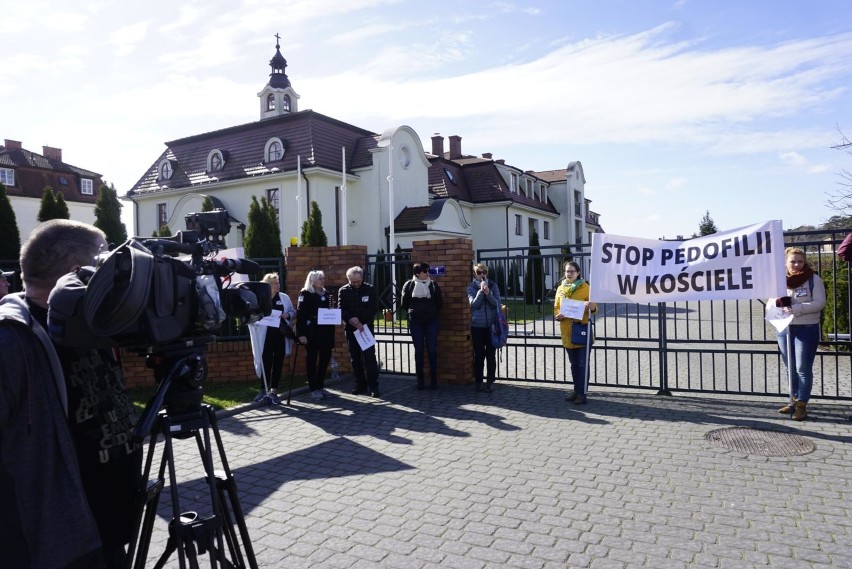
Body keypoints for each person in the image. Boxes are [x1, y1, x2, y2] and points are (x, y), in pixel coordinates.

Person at [0, 220, 106, 568]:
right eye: (101, 262)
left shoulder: (90, 324)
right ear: (77, 274)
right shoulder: (10, 342)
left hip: (108, 530)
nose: (109, 272)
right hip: (58, 548)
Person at [774, 247, 826, 421]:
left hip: (807, 328)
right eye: (793, 261)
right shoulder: (779, 281)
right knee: (790, 368)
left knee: (802, 368)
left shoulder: (813, 279)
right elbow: (770, 302)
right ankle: (793, 400)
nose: (796, 264)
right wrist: (776, 304)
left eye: (800, 261)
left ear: (804, 262)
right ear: (786, 263)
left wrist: (796, 309)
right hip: (785, 329)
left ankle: (802, 405)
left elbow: (819, 303)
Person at [554, 261, 597, 404]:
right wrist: (558, 315)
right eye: (567, 271)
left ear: (578, 272)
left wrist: (591, 306)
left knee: (582, 364)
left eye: (572, 271)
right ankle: (576, 389)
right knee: (574, 364)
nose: (569, 274)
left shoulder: (586, 288)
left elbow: (594, 307)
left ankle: (582, 393)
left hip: (581, 331)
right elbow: (556, 307)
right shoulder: (560, 289)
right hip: (567, 331)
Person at [254, 272, 296, 405]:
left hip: (280, 334)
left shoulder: (284, 297)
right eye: (274, 284)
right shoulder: (260, 298)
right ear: (267, 286)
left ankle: (274, 390)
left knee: (278, 361)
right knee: (265, 361)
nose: (278, 285)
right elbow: (253, 314)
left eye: (278, 283)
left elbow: (293, 312)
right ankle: (263, 389)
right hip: (265, 335)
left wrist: (286, 315)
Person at [401, 262, 443, 390]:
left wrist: (431, 311)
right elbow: (404, 303)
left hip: (431, 321)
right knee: (418, 350)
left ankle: (433, 381)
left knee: (432, 349)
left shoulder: (433, 285)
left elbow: (439, 302)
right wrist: (414, 311)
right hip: (416, 322)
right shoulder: (409, 285)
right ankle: (420, 381)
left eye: (428, 271)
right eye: (425, 272)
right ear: (417, 273)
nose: (428, 274)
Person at [338, 266, 380, 397]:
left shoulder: (370, 289)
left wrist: (360, 321)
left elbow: (373, 308)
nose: (356, 284)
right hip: (351, 329)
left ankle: (373, 386)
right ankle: (360, 383)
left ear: (362, 278)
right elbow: (341, 309)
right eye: (353, 282)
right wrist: (352, 319)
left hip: (366, 328)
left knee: (369, 357)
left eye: (358, 281)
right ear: (348, 279)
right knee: (355, 358)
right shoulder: (343, 291)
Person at [296, 270, 336, 400]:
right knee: (312, 360)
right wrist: (301, 334)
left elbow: (331, 310)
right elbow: (301, 316)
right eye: (320, 279)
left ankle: (321, 385)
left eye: (323, 278)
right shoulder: (305, 294)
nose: (323, 280)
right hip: (312, 331)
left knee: (325, 359)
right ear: (312, 281)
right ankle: (313, 388)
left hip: (326, 331)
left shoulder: (327, 293)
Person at [467, 262, 500, 392]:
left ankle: (490, 381)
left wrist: (488, 293)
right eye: (479, 272)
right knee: (479, 355)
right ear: (475, 274)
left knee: (491, 355)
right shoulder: (470, 288)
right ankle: (478, 381)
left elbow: (496, 304)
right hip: (477, 326)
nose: (482, 275)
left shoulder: (493, 286)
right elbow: (474, 305)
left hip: (491, 326)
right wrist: (481, 291)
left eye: (484, 272)